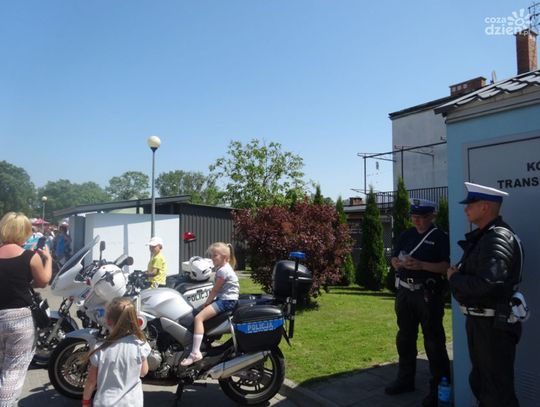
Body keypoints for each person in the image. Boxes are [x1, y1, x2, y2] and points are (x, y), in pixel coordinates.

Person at [448, 182, 522, 407]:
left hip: (493, 326)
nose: (465, 209)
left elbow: (486, 284)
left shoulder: (497, 237)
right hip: (482, 323)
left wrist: (454, 278)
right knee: (483, 384)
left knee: (495, 391)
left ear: (485, 207)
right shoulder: (486, 236)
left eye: (471, 204)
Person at [385, 199, 451, 407]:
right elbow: (394, 257)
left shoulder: (440, 237)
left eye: (422, 217)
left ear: (432, 217)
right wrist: (395, 262)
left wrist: (421, 265)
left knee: (433, 341)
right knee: (405, 338)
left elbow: (446, 266)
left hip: (427, 293)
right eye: (414, 217)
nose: (418, 221)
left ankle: (439, 388)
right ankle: (405, 380)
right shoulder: (406, 234)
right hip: (405, 292)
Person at [0, 212, 52, 406]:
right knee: (12, 371)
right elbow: (43, 281)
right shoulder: (30, 257)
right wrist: (48, 259)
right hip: (19, 319)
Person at [82, 297, 151, 407]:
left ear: (108, 321)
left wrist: (86, 402)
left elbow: (91, 380)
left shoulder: (100, 348)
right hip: (132, 403)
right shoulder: (139, 345)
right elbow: (143, 372)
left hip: (105, 403)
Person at [180, 242, 239, 366]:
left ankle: (195, 353)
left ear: (224, 257)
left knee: (198, 318)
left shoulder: (222, 271)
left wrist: (207, 303)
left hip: (226, 301)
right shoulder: (226, 267)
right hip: (228, 299)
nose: (212, 258)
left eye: (215, 255)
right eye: (212, 255)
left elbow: (215, 290)